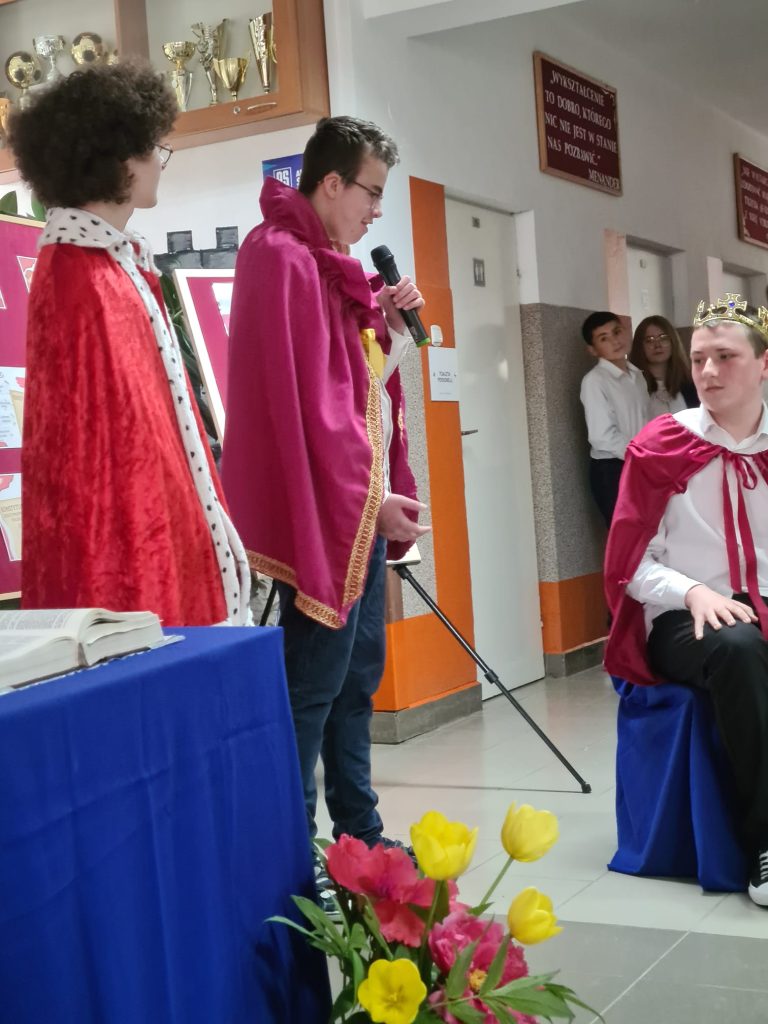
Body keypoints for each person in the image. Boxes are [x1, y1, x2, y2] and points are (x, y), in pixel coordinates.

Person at [221, 116, 429, 852]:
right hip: (324, 509)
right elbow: (311, 407)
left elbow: (358, 390)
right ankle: (289, 847)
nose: (377, 210)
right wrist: (369, 500)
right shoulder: (280, 255)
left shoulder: (328, 261)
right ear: (332, 183)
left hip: (355, 505)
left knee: (355, 676)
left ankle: (358, 836)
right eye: (372, 192)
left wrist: (391, 327)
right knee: (311, 683)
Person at [9, 62, 249, 625]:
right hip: (128, 557)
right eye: (153, 150)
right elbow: (95, 459)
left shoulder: (110, 264)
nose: (159, 164)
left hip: (157, 534)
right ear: (118, 159)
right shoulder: (80, 274)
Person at [604, 294, 768, 907]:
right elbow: (630, 564)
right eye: (699, 359)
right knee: (738, 647)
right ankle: (763, 840)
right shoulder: (662, 446)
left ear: (764, 365)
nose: (708, 371)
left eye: (725, 357)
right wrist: (692, 591)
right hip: (684, 616)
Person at [579, 311, 650, 527]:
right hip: (613, 469)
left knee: (649, 532)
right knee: (627, 536)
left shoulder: (637, 375)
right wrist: (641, 457)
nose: (614, 341)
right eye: (604, 338)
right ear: (592, 350)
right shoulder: (595, 381)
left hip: (640, 463)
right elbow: (602, 437)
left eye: (617, 332)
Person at [630, 314, 698, 417]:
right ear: (640, 346)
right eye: (649, 340)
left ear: (672, 342)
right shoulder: (634, 388)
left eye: (663, 338)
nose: (657, 345)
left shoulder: (690, 386)